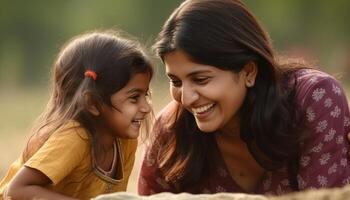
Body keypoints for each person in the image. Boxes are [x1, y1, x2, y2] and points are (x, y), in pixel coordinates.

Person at [138, 0, 350, 196]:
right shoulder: (172, 130)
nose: (186, 98)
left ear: (249, 71)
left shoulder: (313, 99)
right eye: (176, 82)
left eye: (201, 79)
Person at [0, 30, 153, 199]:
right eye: (134, 98)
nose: (146, 107)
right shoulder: (75, 138)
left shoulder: (125, 141)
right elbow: (16, 190)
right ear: (92, 103)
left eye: (145, 95)